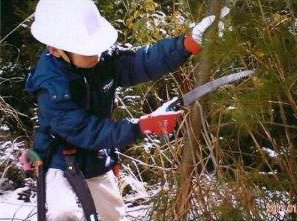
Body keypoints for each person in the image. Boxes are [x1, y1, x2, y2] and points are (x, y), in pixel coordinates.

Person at [25, 0, 215, 220]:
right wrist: (139, 127)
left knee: (113, 215)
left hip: (96, 156)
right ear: (55, 49)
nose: (96, 54)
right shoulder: (50, 84)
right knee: (63, 213)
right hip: (56, 156)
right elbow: (84, 130)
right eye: (87, 50)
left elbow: (143, 61)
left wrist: (187, 44)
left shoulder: (102, 60)